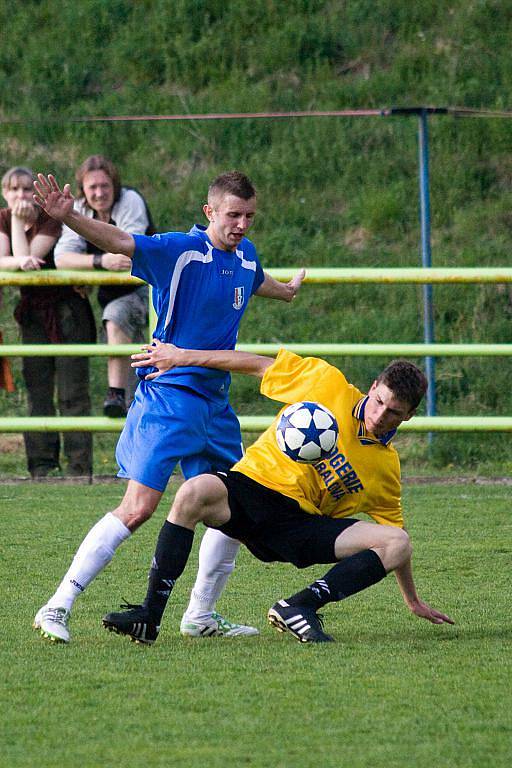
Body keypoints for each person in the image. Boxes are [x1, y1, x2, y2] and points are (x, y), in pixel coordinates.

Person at [32, 170, 305, 643]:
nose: (241, 224)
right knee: (139, 508)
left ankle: (200, 615)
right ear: (210, 211)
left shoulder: (246, 255)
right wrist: (70, 217)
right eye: (233, 215)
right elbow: (119, 239)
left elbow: (253, 277)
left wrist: (285, 290)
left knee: (233, 506)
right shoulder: (178, 251)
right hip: (169, 397)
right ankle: (57, 605)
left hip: (216, 405)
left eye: (249, 216)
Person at [102, 343, 454, 644]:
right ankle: (150, 616)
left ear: (408, 416)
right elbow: (255, 364)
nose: (380, 416)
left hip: (298, 528)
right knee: (193, 491)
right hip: (251, 490)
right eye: (378, 401)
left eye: (393, 412)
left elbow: (396, 541)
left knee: (397, 542)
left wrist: (413, 601)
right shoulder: (325, 382)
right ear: (373, 386)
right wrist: (181, 356)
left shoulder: (385, 468)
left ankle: (300, 606)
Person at [0, 166, 95, 478]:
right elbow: (10, 262)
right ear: (4, 193)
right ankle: (41, 467)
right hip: (33, 314)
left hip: (67, 309)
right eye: (13, 190)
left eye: (27, 190)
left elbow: (31, 260)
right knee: (37, 391)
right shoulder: (3, 217)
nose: (20, 196)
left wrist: (17, 235)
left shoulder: (50, 217)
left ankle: (79, 470)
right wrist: (14, 220)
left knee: (72, 393)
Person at [54, 155, 156, 416]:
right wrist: (101, 261)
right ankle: (135, 408)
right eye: (92, 188)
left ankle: (116, 395)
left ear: (116, 186)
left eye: (105, 186)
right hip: (112, 292)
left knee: (116, 317)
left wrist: (87, 265)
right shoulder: (78, 208)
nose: (99, 194)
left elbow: (128, 250)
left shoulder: (130, 201)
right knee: (138, 363)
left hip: (149, 286)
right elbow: (62, 258)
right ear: (83, 191)